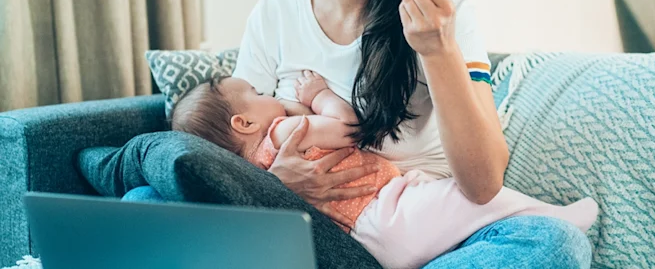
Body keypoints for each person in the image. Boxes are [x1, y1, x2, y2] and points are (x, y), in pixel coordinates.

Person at [226, 0, 594, 267]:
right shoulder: (274, 14)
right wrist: (275, 185)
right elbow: (231, 145)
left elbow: (483, 185)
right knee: (146, 191)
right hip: (318, 237)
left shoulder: (448, 9)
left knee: (554, 243)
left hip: (428, 241)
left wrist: (436, 50)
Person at [170, 74, 598, 269]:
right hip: (386, 214)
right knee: (465, 197)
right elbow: (347, 127)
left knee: (456, 201)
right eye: (258, 93)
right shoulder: (285, 131)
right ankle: (553, 214)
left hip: (371, 236)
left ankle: (545, 225)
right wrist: (319, 96)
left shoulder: (254, 161)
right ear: (244, 123)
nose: (269, 94)